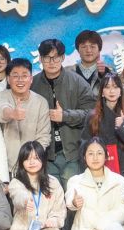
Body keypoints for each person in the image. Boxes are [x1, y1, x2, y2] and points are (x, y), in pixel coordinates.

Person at [33, 39, 100, 179]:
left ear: (63, 57)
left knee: (73, 192)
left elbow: (92, 113)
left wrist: (65, 116)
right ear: (40, 59)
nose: (52, 62)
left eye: (56, 57)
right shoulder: (33, 84)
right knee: (50, 192)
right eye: (47, 58)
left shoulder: (77, 81)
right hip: (44, 155)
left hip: (72, 154)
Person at [5, 142, 66, 230]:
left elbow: (60, 209)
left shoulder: (53, 182)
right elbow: (18, 196)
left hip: (45, 229)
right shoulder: (16, 182)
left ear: (43, 159)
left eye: (36, 158)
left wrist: (53, 220)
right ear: (22, 162)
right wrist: (26, 201)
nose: (31, 162)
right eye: (27, 158)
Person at [0, 58, 52, 173]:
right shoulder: (1, 96)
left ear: (31, 79)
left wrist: (32, 158)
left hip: (33, 165)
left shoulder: (41, 102)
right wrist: (13, 113)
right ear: (8, 79)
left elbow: (44, 136)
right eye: (15, 76)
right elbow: (2, 110)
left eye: (24, 75)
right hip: (5, 165)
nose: (20, 80)